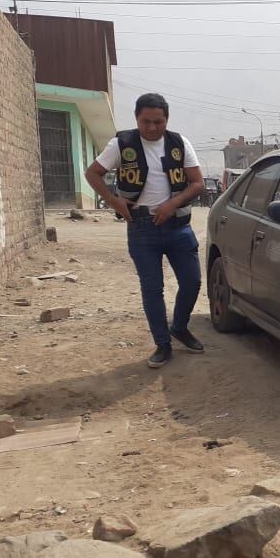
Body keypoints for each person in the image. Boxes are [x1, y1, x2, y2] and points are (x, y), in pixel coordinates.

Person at [85, 93, 206, 368]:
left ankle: (179, 327)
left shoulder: (179, 143)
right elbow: (92, 173)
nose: (152, 127)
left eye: (158, 121)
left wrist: (172, 204)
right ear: (137, 119)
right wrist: (113, 200)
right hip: (141, 229)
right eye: (146, 121)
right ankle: (162, 345)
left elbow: (197, 183)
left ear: (167, 120)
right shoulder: (122, 143)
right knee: (152, 289)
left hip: (178, 227)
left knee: (192, 282)